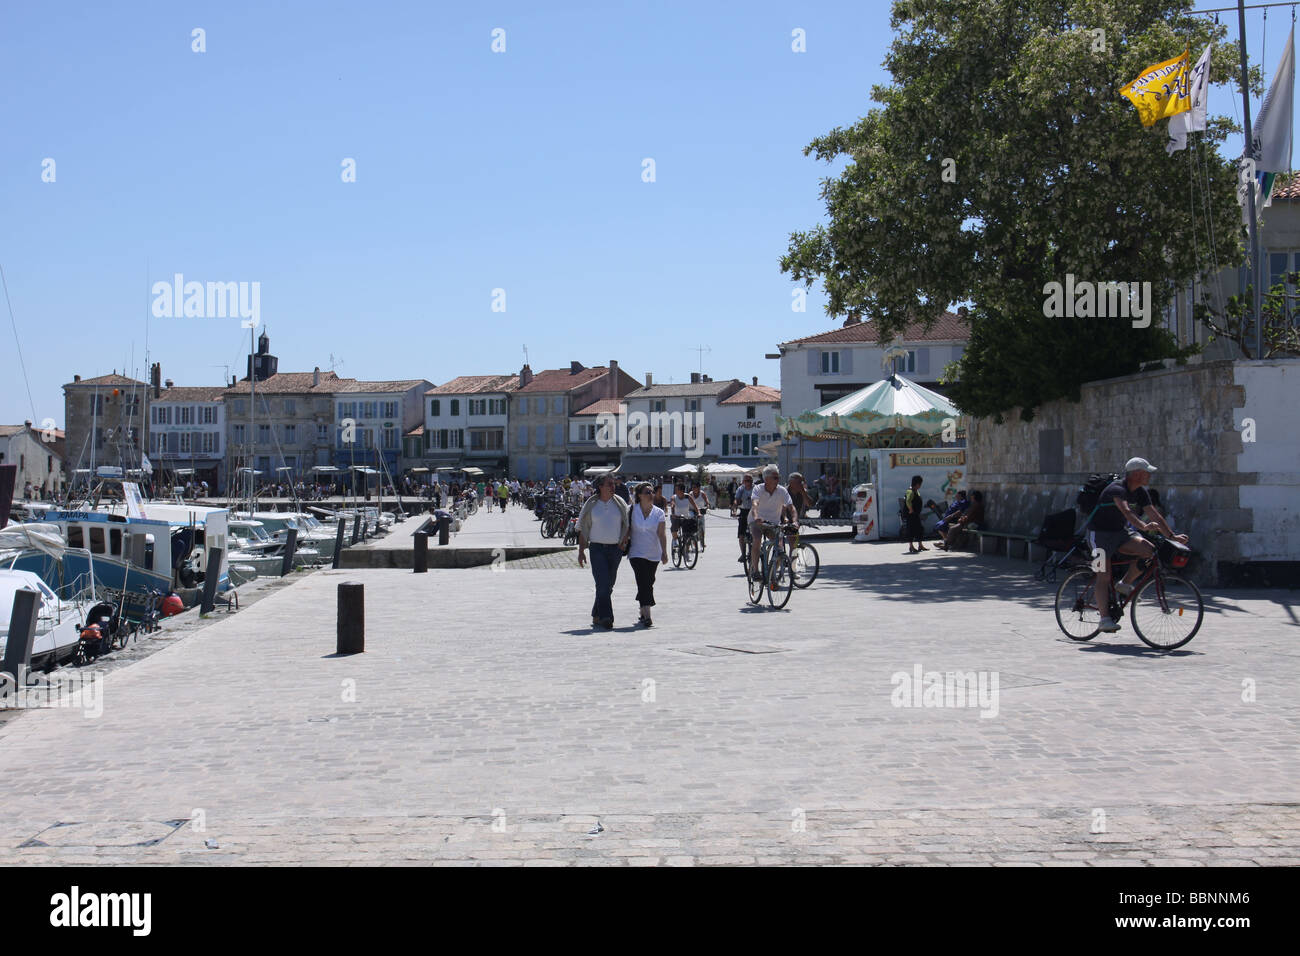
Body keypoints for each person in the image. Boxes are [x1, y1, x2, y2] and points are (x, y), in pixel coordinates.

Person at [1088, 457, 1188, 633]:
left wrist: (1173, 536)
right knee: (1103, 576)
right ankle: (1104, 619)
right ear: (1136, 474)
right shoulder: (1116, 489)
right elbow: (1126, 511)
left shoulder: (1141, 492)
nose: (1149, 475)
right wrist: (1143, 526)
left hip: (1120, 533)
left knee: (1149, 551)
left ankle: (1124, 584)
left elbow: (1155, 515)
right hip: (1099, 536)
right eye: (1146, 472)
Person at [577, 474, 630, 629]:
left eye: (614, 484)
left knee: (608, 584)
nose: (613, 487)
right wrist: (581, 551)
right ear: (600, 486)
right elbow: (582, 529)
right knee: (603, 583)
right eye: (609, 484)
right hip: (597, 549)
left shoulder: (620, 503)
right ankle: (607, 617)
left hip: (615, 549)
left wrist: (624, 541)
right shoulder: (591, 504)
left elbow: (628, 524)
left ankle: (596, 613)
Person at [623, 482, 668, 626]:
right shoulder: (631, 510)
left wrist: (665, 552)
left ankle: (642, 609)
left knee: (648, 582)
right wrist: (622, 540)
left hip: (653, 553)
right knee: (643, 581)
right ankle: (648, 615)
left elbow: (661, 534)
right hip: (636, 552)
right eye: (647, 492)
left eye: (652, 492)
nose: (651, 494)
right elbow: (627, 529)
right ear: (639, 495)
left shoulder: (659, 513)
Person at [748, 464, 797, 578]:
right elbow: (755, 504)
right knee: (757, 539)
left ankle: (771, 574)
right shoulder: (758, 489)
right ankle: (755, 571)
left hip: (773, 524)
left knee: (780, 549)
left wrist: (795, 521)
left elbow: (791, 507)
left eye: (778, 477)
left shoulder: (781, 490)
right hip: (757, 521)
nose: (778, 480)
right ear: (766, 479)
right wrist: (756, 517)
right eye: (775, 478)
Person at [669, 482, 700, 552]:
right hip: (676, 517)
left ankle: (687, 548)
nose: (676, 491)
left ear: (682, 491)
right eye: (675, 490)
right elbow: (672, 504)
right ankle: (675, 540)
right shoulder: (674, 497)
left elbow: (695, 506)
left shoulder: (688, 497)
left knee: (688, 532)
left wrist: (699, 513)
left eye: (677, 490)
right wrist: (673, 512)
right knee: (674, 527)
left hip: (686, 517)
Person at [731, 473, 754, 563]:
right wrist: (734, 510)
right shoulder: (741, 489)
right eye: (746, 480)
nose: (748, 482)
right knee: (741, 535)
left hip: (754, 511)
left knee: (756, 533)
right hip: (744, 511)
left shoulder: (756, 488)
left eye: (749, 480)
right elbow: (736, 499)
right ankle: (743, 554)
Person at [905, 475, 927, 553]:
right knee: (911, 530)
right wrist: (911, 509)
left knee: (919, 529)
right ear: (917, 484)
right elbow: (908, 501)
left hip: (916, 514)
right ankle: (911, 546)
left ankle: (920, 545)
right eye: (920, 484)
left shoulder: (916, 491)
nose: (920, 485)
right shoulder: (910, 491)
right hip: (911, 515)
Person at [688, 482, 709, 550]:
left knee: (702, 526)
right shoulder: (690, 494)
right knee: (692, 526)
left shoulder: (702, 494)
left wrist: (707, 506)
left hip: (701, 511)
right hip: (692, 511)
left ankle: (702, 542)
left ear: (699, 488)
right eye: (693, 487)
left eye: (695, 487)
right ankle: (693, 540)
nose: (693, 489)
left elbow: (707, 502)